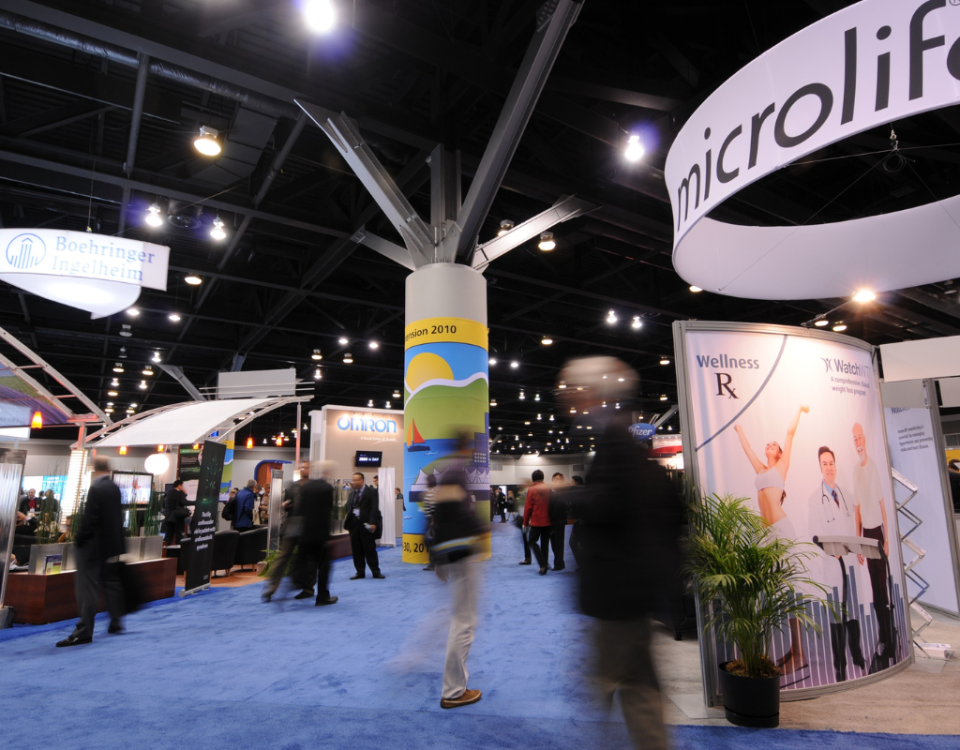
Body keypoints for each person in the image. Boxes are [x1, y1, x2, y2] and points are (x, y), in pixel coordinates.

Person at [557, 356, 682, 750]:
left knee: (606, 679)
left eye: (572, 390)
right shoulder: (628, 444)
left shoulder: (614, 441)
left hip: (618, 593)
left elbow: (610, 503)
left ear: (593, 392)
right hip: (636, 592)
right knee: (638, 684)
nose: (568, 398)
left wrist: (566, 495)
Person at [733, 405, 809, 676]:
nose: (770, 445)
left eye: (774, 445)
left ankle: (799, 654)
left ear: (779, 453)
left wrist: (799, 410)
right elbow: (747, 449)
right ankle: (792, 650)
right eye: (768, 444)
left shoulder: (782, 466)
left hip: (781, 530)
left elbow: (790, 432)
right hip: (766, 535)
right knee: (772, 589)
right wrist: (739, 429)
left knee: (789, 590)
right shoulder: (761, 469)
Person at [431, 435, 487, 709]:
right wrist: (482, 529)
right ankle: (453, 691)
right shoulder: (455, 472)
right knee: (464, 622)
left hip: (454, 554)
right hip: (462, 555)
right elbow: (457, 517)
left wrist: (437, 557)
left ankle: (454, 687)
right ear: (466, 447)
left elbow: (438, 518)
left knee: (461, 619)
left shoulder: (447, 472)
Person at [808, 446, 866, 683]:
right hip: (833, 565)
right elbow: (814, 534)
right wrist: (832, 552)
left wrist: (857, 549)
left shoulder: (847, 495)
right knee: (836, 616)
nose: (829, 467)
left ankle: (857, 656)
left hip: (850, 562)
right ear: (820, 467)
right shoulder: (815, 499)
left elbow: (854, 527)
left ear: (835, 465)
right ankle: (839, 665)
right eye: (824, 464)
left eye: (831, 463)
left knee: (853, 611)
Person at [57, 457, 126, 647]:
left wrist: (79, 539)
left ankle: (84, 631)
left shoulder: (96, 488)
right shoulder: (113, 487)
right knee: (108, 582)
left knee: (87, 588)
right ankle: (115, 621)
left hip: (93, 546)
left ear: (94, 468)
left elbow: (90, 520)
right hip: (110, 545)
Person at [852, 422, 896, 671]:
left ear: (865, 440)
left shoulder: (874, 467)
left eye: (860, 437)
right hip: (867, 535)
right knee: (874, 590)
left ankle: (889, 639)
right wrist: (858, 541)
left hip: (878, 533)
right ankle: (883, 635)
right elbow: (857, 511)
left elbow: (882, 505)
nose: (858, 442)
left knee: (883, 588)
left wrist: (887, 539)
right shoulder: (855, 471)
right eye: (854, 439)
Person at [292, 461, 338, 606]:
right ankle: (322, 597)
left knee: (308, 563)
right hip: (321, 535)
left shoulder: (306, 487)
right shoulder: (327, 488)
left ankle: (306, 589)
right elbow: (329, 512)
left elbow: (300, 510)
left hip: (306, 533)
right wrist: (329, 536)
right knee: (324, 567)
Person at [262, 472, 307, 602]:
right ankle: (271, 587)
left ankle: (304, 586)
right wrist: (285, 505)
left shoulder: (312, 488)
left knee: (305, 558)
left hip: (306, 529)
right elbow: (288, 505)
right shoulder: (292, 487)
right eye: (303, 468)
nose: (304, 470)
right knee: (282, 558)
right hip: (291, 527)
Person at [344, 472, 384, 579]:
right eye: (353, 480)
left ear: (362, 480)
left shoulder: (371, 492)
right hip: (354, 526)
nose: (355, 482)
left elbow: (374, 508)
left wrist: (373, 523)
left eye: (357, 480)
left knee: (370, 549)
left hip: (367, 525)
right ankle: (360, 571)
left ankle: (375, 571)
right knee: (356, 550)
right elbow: (349, 508)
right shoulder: (352, 494)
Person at [523, 470, 552, 575]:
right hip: (548, 520)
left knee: (532, 541)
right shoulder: (548, 489)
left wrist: (525, 522)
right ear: (543, 478)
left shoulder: (531, 489)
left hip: (536, 520)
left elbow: (528, 508)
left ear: (533, 478)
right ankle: (544, 566)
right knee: (545, 544)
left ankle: (543, 564)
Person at [162, 479, 190, 546]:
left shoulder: (169, 493)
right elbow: (184, 502)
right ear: (179, 485)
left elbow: (164, 504)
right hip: (177, 517)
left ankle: (164, 550)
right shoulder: (180, 493)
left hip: (169, 517)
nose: (182, 487)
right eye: (182, 486)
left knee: (168, 536)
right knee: (179, 535)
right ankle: (178, 551)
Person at [549, 472, 568, 571]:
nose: (556, 481)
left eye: (558, 479)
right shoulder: (552, 492)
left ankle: (558, 564)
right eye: (555, 479)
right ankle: (560, 563)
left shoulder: (564, 492)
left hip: (560, 520)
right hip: (552, 521)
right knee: (554, 543)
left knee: (559, 543)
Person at [421, 474, 438, 571]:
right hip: (432, 519)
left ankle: (433, 564)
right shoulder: (435, 492)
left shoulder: (431, 493)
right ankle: (434, 563)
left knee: (430, 542)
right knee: (432, 542)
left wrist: (432, 522)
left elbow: (433, 509)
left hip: (431, 520)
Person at [568, 475, 585, 568]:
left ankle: (583, 565)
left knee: (574, 543)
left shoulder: (579, 494)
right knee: (577, 544)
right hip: (580, 522)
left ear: (576, 483)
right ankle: (583, 565)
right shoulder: (580, 493)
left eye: (572, 482)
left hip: (581, 522)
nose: (570, 484)